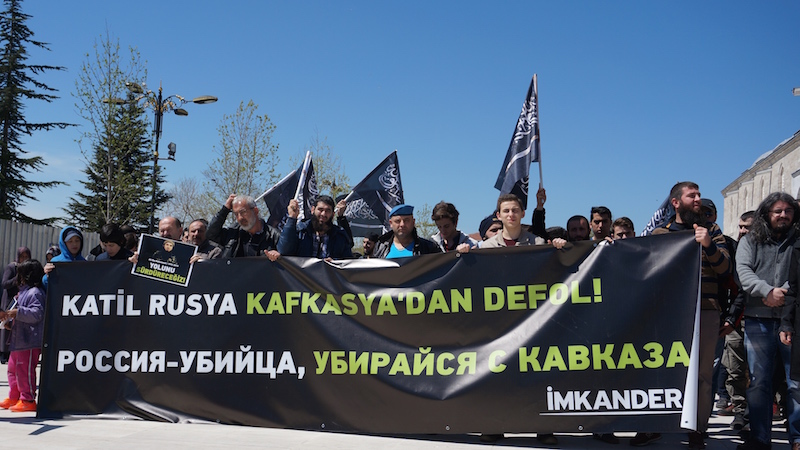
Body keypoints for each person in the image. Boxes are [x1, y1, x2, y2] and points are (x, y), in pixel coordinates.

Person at [634, 181, 730, 449]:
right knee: (660, 370)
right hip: (669, 313)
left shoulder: (712, 230)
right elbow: (645, 268)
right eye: (691, 195)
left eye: (699, 195)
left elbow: (725, 268)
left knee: (702, 374)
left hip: (705, 310)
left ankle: (697, 428)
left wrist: (708, 245)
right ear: (676, 202)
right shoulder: (660, 233)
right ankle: (652, 425)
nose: (698, 199)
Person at [474, 193, 564, 446]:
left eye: (515, 210)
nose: (511, 215)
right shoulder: (486, 248)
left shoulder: (538, 243)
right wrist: (463, 253)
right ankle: (495, 426)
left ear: (523, 214)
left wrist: (559, 248)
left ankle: (544, 427)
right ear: (498, 215)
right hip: (499, 324)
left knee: (536, 373)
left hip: (533, 321)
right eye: (506, 211)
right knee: (498, 375)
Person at [734, 192, 800, 450]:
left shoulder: (798, 239)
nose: (783, 215)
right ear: (766, 214)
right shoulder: (750, 240)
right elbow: (743, 271)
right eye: (778, 211)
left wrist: (784, 293)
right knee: (759, 382)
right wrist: (767, 291)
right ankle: (760, 438)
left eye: (788, 211)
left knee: (795, 383)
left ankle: (797, 438)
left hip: (792, 321)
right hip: (757, 321)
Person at [721, 210, 755, 431]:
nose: (742, 231)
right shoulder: (732, 249)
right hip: (735, 320)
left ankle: (755, 413)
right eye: (740, 227)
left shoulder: (764, 250)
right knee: (734, 367)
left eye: (747, 227)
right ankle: (740, 411)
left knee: (757, 371)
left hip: (758, 318)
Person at [0, 259, 45, 412]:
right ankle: (15, 395)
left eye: (20, 274)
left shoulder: (36, 293)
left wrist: (18, 313)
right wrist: (10, 323)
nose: (18, 278)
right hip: (18, 340)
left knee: (25, 371)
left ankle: (28, 399)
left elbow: (37, 314)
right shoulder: (23, 292)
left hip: (30, 341)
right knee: (13, 369)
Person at [276, 196, 353, 260]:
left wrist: (334, 262)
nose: (323, 214)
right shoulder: (300, 231)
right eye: (320, 210)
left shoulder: (339, 236)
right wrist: (292, 217)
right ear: (313, 210)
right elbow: (284, 251)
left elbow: (348, 261)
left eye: (327, 211)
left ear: (333, 214)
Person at [207, 194, 281, 260]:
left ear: (255, 211)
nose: (240, 218)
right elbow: (210, 234)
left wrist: (279, 257)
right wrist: (225, 209)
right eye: (236, 214)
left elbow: (285, 262)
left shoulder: (274, 236)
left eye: (243, 212)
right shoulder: (233, 234)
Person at [372, 204, 441, 259]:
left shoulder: (428, 248)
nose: (402, 224)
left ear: (413, 222)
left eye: (406, 220)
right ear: (391, 223)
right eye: (398, 221)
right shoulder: (380, 248)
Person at [1, 247, 30, 364]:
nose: (24, 259)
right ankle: (4, 353)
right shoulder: (12, 267)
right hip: (10, 301)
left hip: (22, 301)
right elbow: (4, 284)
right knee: (6, 326)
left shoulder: (28, 268)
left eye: (26, 257)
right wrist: (17, 278)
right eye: (22, 257)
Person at [43, 226, 85, 290]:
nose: (74, 244)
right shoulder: (55, 262)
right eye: (70, 241)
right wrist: (47, 276)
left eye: (77, 241)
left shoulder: (84, 263)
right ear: (64, 243)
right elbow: (47, 287)